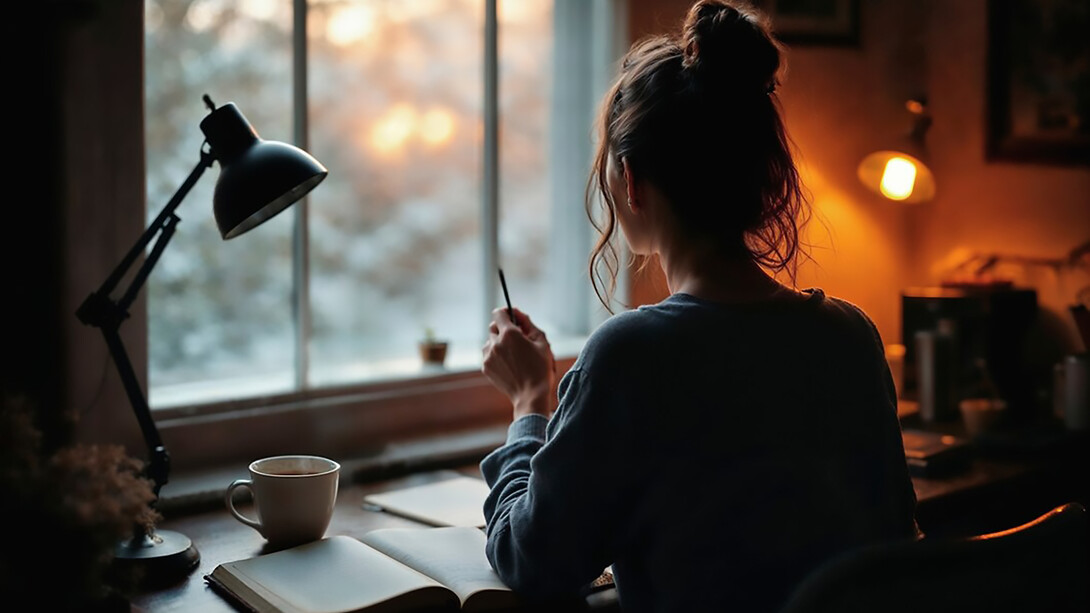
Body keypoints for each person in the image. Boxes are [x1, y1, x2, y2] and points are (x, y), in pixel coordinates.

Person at [478, 1, 920, 611]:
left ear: (630, 180)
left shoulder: (632, 355)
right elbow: (893, 541)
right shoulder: (851, 335)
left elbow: (532, 560)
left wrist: (531, 404)